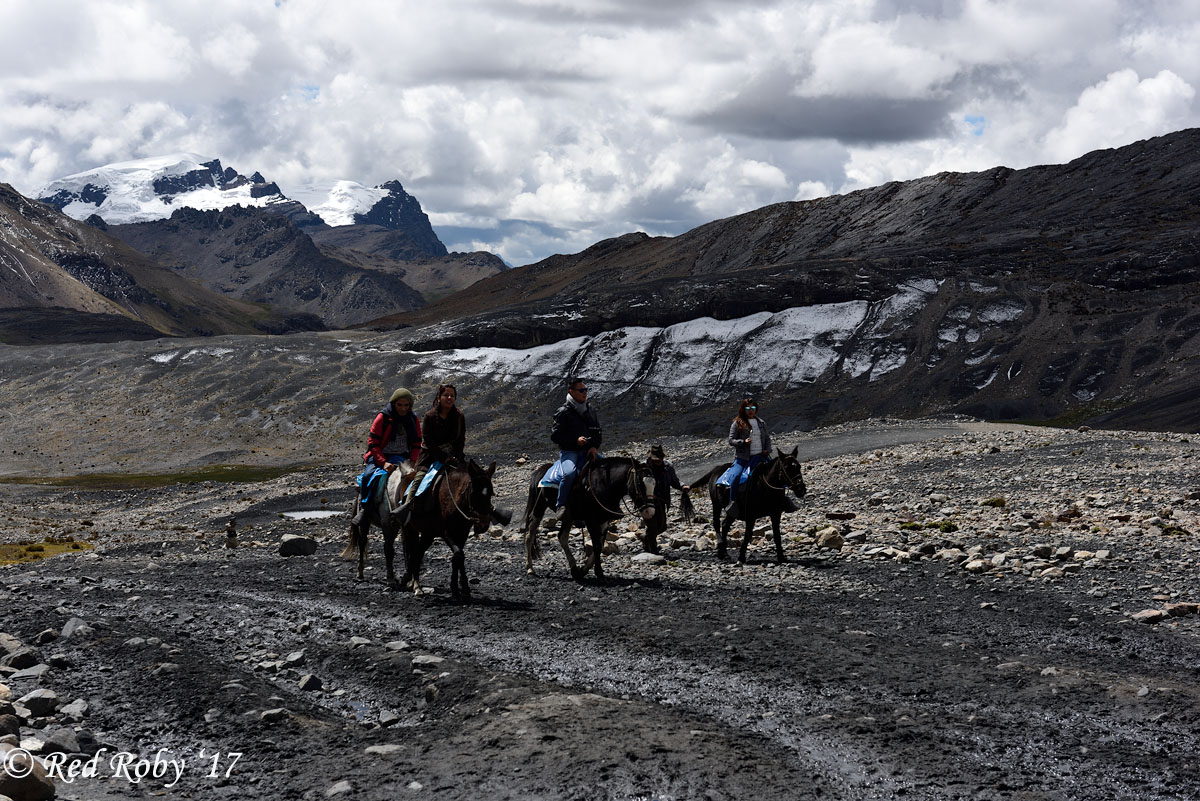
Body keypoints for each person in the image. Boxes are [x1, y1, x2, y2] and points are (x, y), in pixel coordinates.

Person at [353, 388, 422, 525]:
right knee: (368, 476)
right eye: (399, 405)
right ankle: (365, 509)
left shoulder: (413, 420)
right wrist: (383, 462)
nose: (403, 409)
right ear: (394, 404)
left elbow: (416, 443)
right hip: (381, 456)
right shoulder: (383, 417)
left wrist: (413, 461)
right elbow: (373, 442)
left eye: (406, 405)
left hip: (403, 458)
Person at [550, 377, 602, 513]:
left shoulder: (590, 410)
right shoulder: (563, 412)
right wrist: (575, 440)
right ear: (571, 392)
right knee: (569, 473)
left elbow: (598, 432)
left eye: (586, 390)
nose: (585, 393)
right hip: (570, 452)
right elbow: (555, 436)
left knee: (608, 469)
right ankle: (561, 505)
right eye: (581, 390)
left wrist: (594, 447)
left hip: (588, 450)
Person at [715, 395, 771, 517]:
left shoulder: (761, 423)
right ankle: (733, 501)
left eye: (753, 408)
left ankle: (782, 500)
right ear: (743, 410)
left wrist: (767, 449)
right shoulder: (737, 423)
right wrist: (743, 442)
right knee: (736, 476)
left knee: (778, 472)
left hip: (760, 456)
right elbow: (731, 440)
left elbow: (767, 438)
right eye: (748, 408)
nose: (751, 410)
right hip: (743, 459)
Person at [644, 443, 689, 551]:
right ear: (651, 458)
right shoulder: (644, 468)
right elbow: (639, 485)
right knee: (653, 525)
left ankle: (646, 539)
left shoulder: (668, 467)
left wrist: (682, 486)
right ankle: (652, 547)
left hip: (662, 501)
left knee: (662, 526)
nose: (659, 460)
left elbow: (675, 481)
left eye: (660, 458)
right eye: (656, 459)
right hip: (648, 502)